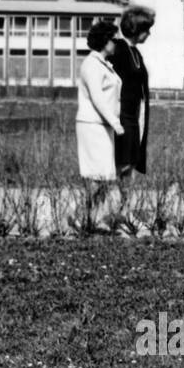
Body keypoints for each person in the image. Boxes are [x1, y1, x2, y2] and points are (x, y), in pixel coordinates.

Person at [76, 19, 124, 226]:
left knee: (103, 176)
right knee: (98, 176)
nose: (117, 43)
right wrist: (116, 122)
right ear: (105, 41)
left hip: (102, 126)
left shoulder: (104, 65)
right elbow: (97, 98)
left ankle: (87, 218)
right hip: (93, 125)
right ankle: (80, 217)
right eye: (114, 39)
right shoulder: (91, 65)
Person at [110, 5, 155, 186]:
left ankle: (123, 209)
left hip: (134, 118)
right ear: (137, 30)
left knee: (129, 165)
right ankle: (104, 206)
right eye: (146, 30)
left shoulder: (136, 52)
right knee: (120, 165)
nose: (149, 34)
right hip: (121, 117)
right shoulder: (118, 49)